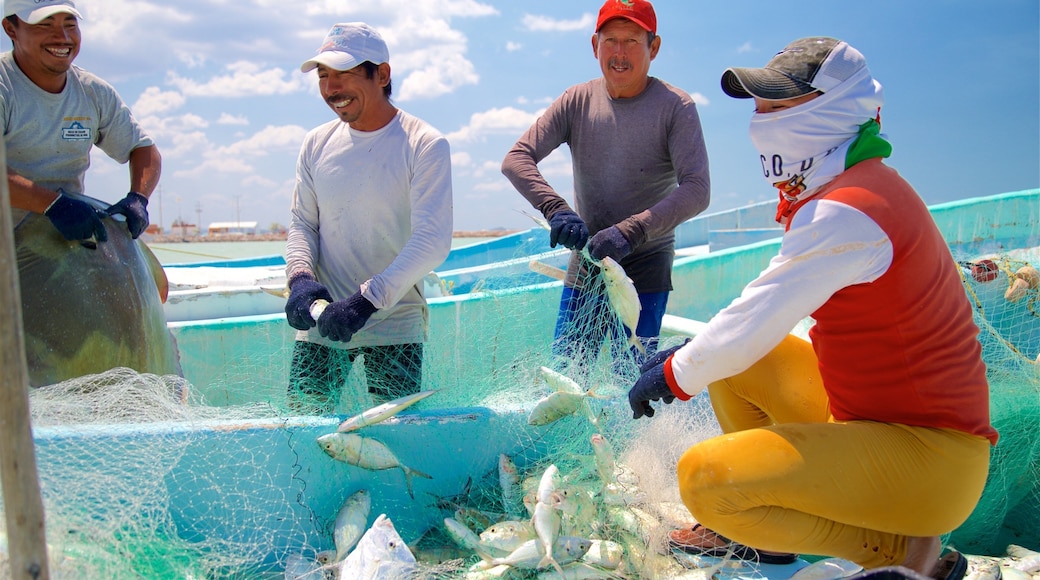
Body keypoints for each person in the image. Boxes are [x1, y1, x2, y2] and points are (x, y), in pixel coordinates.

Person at [627, 37, 996, 580]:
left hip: (930, 461)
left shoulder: (849, 208)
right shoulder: (855, 189)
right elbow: (752, 326)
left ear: (835, 109)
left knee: (705, 478)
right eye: (760, 104)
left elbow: (760, 313)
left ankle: (898, 553)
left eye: (778, 104)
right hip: (877, 427)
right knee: (735, 365)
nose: (761, 118)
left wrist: (673, 373)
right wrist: (696, 360)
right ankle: (779, 543)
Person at [501, 0, 710, 372]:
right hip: (588, 261)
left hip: (645, 268)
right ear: (594, 45)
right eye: (610, 40)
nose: (619, 52)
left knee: (629, 382)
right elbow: (516, 159)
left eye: (632, 40)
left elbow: (697, 189)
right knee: (565, 377)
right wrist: (557, 209)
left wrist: (633, 231)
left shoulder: (676, 106)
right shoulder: (576, 100)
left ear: (654, 47)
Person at [284, 22, 453, 413]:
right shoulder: (315, 144)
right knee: (304, 437)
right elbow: (303, 224)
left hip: (395, 325)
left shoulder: (425, 144)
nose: (331, 89)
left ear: (383, 74)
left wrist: (366, 301)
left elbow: (432, 240)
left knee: (396, 445)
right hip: (321, 326)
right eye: (323, 76)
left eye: (343, 73)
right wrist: (300, 279)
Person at [2, 0, 159, 243]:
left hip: (58, 244)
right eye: (44, 25)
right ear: (10, 29)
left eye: (70, 24)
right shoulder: (5, 85)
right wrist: (52, 205)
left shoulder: (92, 91)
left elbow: (143, 148)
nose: (62, 37)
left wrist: (138, 198)